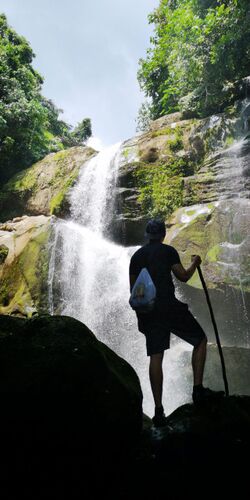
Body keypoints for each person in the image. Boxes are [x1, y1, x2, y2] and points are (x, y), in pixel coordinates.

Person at [129, 218, 224, 427]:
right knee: (200, 340)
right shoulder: (168, 251)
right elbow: (183, 277)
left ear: (147, 235)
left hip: (150, 313)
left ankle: (158, 411)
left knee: (156, 357)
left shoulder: (136, 257)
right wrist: (195, 264)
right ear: (163, 235)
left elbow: (135, 293)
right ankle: (198, 390)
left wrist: (140, 319)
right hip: (169, 307)